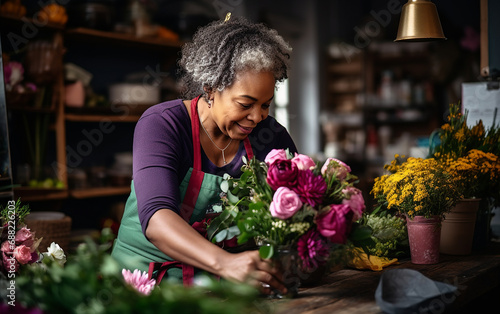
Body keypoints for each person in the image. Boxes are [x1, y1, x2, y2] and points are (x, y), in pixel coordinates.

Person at [111, 14, 297, 295]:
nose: (257, 116)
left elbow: (297, 209)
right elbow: (158, 220)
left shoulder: (272, 137)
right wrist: (226, 263)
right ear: (210, 88)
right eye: (245, 104)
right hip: (143, 281)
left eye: (266, 105)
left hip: (220, 288)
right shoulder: (162, 124)